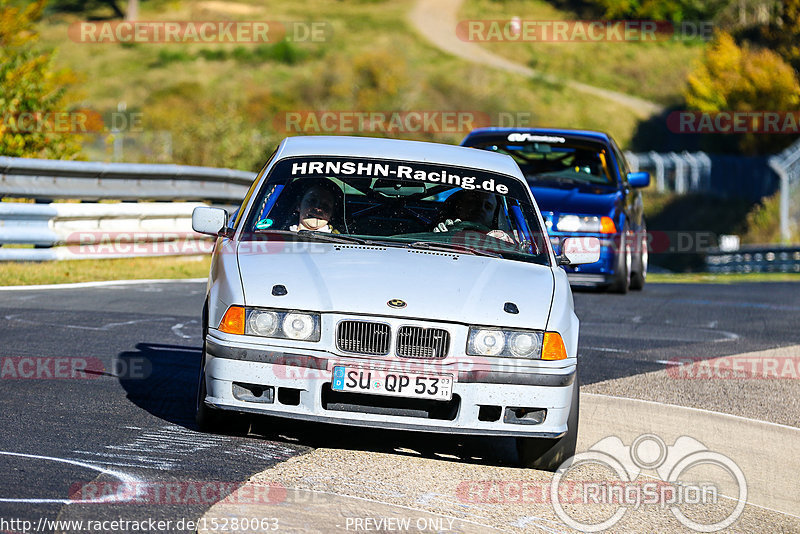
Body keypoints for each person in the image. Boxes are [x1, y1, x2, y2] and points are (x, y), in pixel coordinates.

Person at [433, 189, 514, 243]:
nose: (481, 208)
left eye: (488, 206)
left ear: (494, 216)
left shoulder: (501, 242)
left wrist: (503, 244)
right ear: (459, 206)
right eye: (474, 202)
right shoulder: (441, 232)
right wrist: (440, 238)